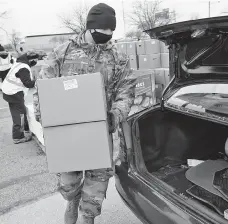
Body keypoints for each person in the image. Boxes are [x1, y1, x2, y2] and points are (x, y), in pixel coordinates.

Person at [33, 3, 136, 224]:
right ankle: (72, 200)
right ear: (90, 27)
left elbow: (127, 92)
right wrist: (46, 117)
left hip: (101, 129)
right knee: (68, 183)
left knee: (97, 183)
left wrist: (116, 115)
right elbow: (42, 87)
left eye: (111, 32)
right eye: (103, 31)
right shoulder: (63, 53)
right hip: (68, 132)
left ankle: (87, 216)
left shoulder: (118, 57)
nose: (107, 35)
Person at [2, 51, 39, 144]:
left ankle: (25, 130)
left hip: (9, 91)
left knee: (19, 111)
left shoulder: (20, 63)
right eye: (35, 60)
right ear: (30, 60)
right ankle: (18, 137)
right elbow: (28, 84)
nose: (36, 62)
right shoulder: (23, 68)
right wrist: (37, 81)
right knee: (20, 114)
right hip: (14, 92)